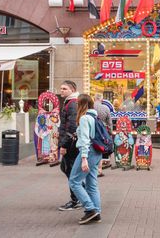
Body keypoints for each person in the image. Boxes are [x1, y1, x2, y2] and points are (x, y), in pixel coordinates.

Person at [68, 94, 103, 224]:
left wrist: (83, 158)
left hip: (88, 152)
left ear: (82, 105)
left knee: (74, 181)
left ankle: (90, 209)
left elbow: (84, 140)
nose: (76, 105)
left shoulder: (84, 119)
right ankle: (96, 212)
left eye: (77, 103)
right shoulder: (95, 117)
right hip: (96, 152)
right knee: (92, 184)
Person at [58, 80, 81, 211]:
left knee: (70, 171)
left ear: (72, 90)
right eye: (61, 88)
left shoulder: (72, 104)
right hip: (72, 143)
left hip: (71, 144)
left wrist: (64, 145)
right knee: (66, 168)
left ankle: (76, 199)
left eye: (64, 89)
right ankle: (80, 196)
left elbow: (72, 126)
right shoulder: (70, 102)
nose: (61, 90)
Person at [94, 93, 112, 177]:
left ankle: (92, 168)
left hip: (92, 129)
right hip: (102, 130)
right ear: (101, 99)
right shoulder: (105, 108)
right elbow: (109, 122)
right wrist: (110, 132)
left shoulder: (89, 107)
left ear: (94, 99)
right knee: (100, 148)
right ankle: (99, 169)